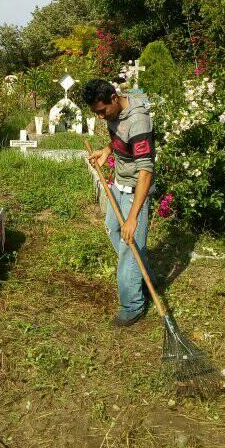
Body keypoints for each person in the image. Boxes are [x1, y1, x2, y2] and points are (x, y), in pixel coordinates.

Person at [83, 79, 156, 327]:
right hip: (119, 183)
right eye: (97, 113)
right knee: (113, 228)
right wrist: (106, 151)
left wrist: (134, 217)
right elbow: (118, 139)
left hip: (136, 189)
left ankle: (132, 305)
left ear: (114, 98)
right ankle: (143, 278)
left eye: (103, 111)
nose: (102, 117)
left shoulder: (138, 121)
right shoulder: (114, 114)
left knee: (128, 244)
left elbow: (146, 170)